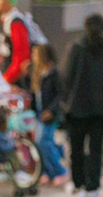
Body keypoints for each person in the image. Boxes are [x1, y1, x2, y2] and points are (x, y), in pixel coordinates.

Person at [62, 13, 103, 197]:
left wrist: (64, 104)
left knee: (76, 150)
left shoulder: (75, 48)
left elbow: (66, 78)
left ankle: (78, 185)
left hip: (77, 107)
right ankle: (93, 188)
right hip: (100, 109)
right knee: (96, 150)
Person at [18, 44, 68, 186]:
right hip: (39, 113)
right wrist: (25, 75)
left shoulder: (54, 73)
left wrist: (51, 110)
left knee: (45, 142)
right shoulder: (37, 73)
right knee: (40, 144)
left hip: (50, 115)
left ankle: (60, 171)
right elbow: (31, 91)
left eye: (35, 53)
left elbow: (60, 95)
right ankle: (47, 172)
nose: (33, 56)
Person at [0, 0, 30, 84]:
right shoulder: (5, 20)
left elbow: (21, 59)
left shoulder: (16, 22)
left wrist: (5, 80)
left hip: (20, 80)